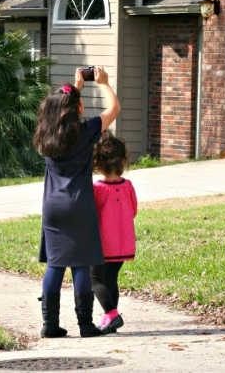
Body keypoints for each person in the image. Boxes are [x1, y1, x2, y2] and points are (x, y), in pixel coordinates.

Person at [33, 65, 121, 338]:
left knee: (55, 265)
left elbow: (64, 110)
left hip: (53, 207)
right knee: (81, 263)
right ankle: (85, 325)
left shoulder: (46, 136)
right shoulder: (86, 131)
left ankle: (50, 324)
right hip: (80, 205)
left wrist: (75, 89)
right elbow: (114, 109)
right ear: (79, 109)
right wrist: (103, 83)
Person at [91, 132, 138, 334]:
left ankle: (111, 314)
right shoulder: (127, 186)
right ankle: (110, 319)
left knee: (95, 280)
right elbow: (134, 210)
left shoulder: (97, 189)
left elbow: (91, 215)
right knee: (111, 280)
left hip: (103, 244)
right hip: (123, 243)